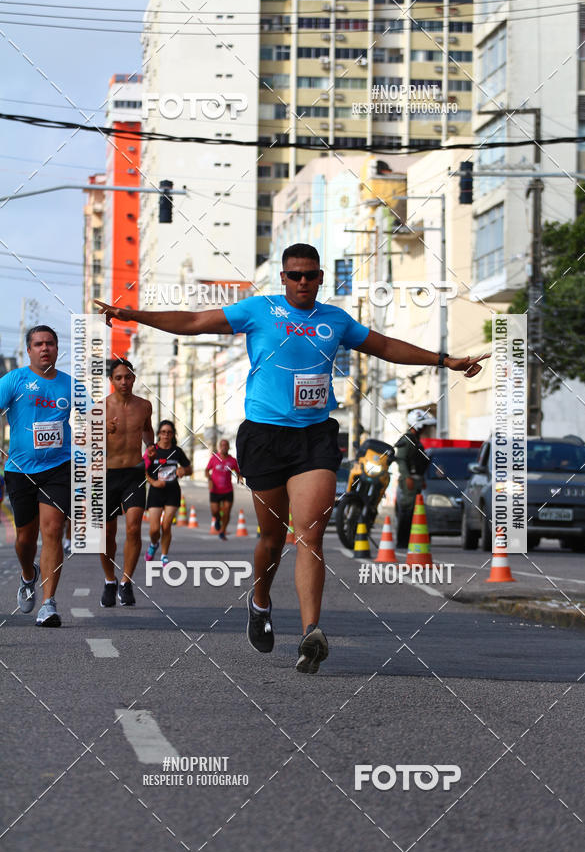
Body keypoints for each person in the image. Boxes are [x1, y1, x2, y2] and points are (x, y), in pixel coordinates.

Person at [95, 243, 489, 673]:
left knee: (309, 535)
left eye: (311, 275)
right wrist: (134, 316)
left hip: (315, 437)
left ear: (321, 278)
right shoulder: (258, 310)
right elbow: (192, 322)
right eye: (295, 275)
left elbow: (385, 346)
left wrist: (445, 361)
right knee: (270, 537)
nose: (303, 282)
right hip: (263, 437)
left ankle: (310, 633)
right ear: (283, 278)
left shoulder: (335, 319)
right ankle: (260, 600)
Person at [0, 326, 72, 626]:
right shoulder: (15, 379)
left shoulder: (71, 384)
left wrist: (105, 426)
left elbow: (95, 418)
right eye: (39, 344)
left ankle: (49, 603)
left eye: (51, 344)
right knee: (25, 539)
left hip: (59, 467)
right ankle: (29, 575)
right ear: (29, 350)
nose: (45, 349)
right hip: (19, 470)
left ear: (57, 349)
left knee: (53, 530)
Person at [100, 358, 154, 608]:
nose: (124, 382)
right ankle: (110, 580)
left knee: (133, 528)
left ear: (134, 378)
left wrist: (151, 447)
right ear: (111, 380)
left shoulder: (144, 406)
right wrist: (101, 430)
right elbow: (83, 441)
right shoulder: (99, 408)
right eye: (119, 377)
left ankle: (126, 581)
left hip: (134, 474)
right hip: (107, 475)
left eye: (128, 377)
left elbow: (147, 430)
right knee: (107, 534)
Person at [144, 420, 192, 565]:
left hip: (172, 491)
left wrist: (183, 470)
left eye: (169, 432)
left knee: (166, 525)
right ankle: (153, 544)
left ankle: (164, 555)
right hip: (155, 491)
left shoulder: (177, 451)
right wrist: (154, 482)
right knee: (154, 529)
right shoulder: (152, 450)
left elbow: (188, 468)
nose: (166, 435)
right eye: (163, 432)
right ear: (159, 433)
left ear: (173, 435)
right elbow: (143, 470)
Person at [395, 409, 436, 549]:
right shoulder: (407, 440)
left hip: (417, 479)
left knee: (415, 511)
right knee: (407, 510)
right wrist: (407, 477)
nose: (425, 429)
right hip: (409, 480)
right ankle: (402, 542)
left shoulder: (416, 441)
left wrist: (422, 479)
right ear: (417, 425)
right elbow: (401, 460)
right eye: (423, 426)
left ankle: (413, 540)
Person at [205, 439, 240, 540]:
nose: (224, 447)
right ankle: (217, 519)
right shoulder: (214, 458)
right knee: (215, 511)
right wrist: (209, 479)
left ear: (229, 447)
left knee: (227, 511)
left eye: (226, 445)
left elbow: (238, 471)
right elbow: (207, 470)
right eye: (222, 445)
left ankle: (222, 531)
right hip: (215, 490)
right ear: (220, 447)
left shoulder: (232, 460)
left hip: (228, 490)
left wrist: (240, 477)